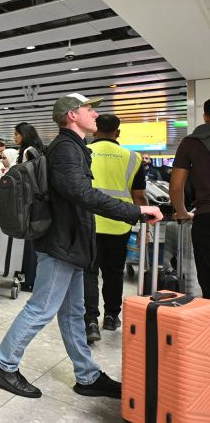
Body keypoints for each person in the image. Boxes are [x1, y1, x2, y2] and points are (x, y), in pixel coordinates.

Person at [0, 93, 164, 400]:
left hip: (70, 242)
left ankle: (87, 375)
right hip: (61, 243)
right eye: (88, 108)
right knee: (41, 308)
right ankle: (4, 364)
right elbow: (83, 194)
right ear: (71, 115)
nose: (94, 113)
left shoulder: (75, 147)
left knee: (73, 312)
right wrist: (134, 211)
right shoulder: (67, 149)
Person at [83, 114, 147, 343]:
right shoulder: (133, 157)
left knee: (89, 272)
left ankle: (90, 320)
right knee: (114, 272)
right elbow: (138, 196)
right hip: (120, 224)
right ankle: (111, 316)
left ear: (94, 131)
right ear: (118, 133)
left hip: (89, 223)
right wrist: (144, 225)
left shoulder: (84, 153)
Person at [170, 97, 210, 298]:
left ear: (205, 116)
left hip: (206, 218)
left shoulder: (191, 143)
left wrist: (182, 211)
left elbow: (176, 186)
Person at [13, 122, 46, 292]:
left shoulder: (27, 152)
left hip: (28, 202)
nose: (15, 137)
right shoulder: (38, 150)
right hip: (38, 201)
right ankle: (32, 277)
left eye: (17, 134)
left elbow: (26, 178)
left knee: (29, 243)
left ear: (24, 135)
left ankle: (30, 279)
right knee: (34, 242)